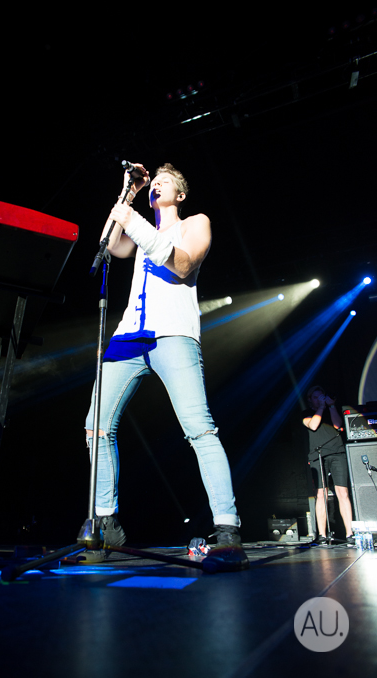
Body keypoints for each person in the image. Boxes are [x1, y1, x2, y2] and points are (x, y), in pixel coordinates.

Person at [85, 161, 248, 571]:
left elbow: (183, 265)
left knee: (199, 428)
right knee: (95, 427)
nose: (156, 186)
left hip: (173, 334)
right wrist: (128, 193)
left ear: (180, 194)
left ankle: (227, 529)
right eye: (152, 183)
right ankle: (105, 522)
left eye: (163, 182)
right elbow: (109, 244)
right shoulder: (141, 235)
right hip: (128, 336)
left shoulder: (195, 223)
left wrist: (135, 219)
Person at [302, 385, 354, 545]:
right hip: (317, 455)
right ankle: (322, 535)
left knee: (343, 492)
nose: (320, 399)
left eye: (321, 396)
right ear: (310, 400)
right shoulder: (307, 413)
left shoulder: (331, 410)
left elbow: (338, 425)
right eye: (316, 397)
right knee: (321, 494)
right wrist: (321, 407)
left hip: (337, 453)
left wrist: (331, 407)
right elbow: (313, 425)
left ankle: (350, 533)